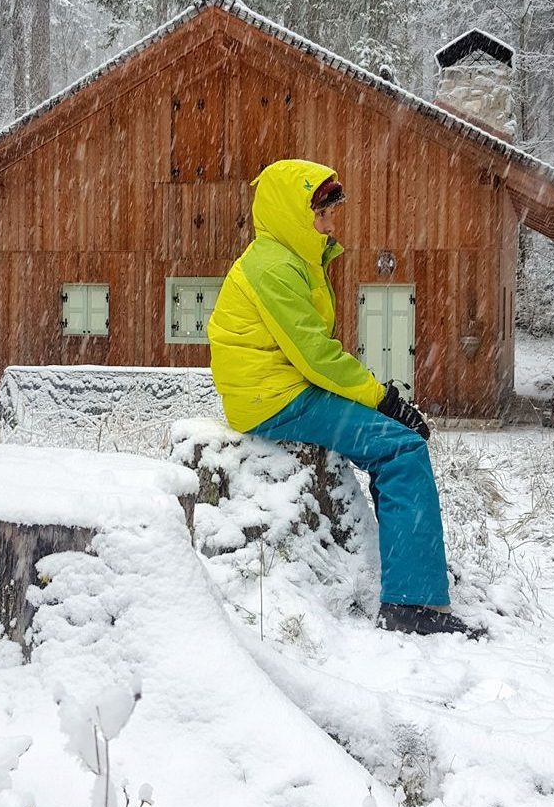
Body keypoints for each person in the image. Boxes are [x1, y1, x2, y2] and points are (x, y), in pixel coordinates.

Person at [207, 159, 483, 638]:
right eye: (321, 213)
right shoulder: (273, 267)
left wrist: (381, 404)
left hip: (280, 387)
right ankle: (410, 603)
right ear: (293, 213)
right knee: (401, 448)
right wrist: (385, 400)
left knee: (393, 444)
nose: (331, 222)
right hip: (276, 397)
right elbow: (316, 354)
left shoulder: (288, 258)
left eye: (332, 211)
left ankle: (406, 570)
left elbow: (311, 353)